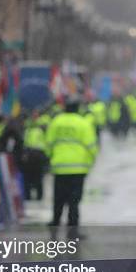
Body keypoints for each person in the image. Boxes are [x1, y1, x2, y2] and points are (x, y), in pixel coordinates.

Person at [46, 98, 97, 236]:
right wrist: (91, 161)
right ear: (78, 108)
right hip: (78, 169)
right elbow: (92, 146)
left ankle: (55, 224)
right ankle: (72, 230)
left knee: (58, 198)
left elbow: (49, 143)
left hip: (59, 167)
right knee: (74, 200)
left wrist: (51, 157)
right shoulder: (83, 123)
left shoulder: (56, 121)